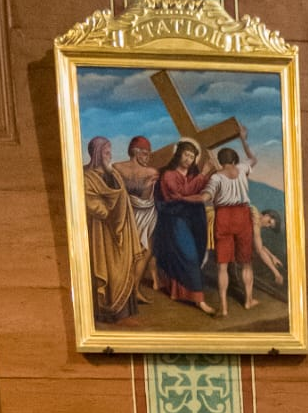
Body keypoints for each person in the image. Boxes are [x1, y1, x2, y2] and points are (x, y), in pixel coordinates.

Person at [82, 136, 143, 324]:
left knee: (122, 269)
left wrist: (117, 210)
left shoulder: (113, 174)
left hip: (121, 232)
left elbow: (122, 198)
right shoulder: (86, 177)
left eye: (110, 152)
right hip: (102, 232)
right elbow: (91, 203)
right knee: (106, 269)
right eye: (107, 152)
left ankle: (124, 311)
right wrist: (109, 210)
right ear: (98, 154)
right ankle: (108, 312)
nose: (110, 155)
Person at [152, 140, 215, 313]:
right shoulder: (169, 175)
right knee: (189, 256)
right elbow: (182, 193)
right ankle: (199, 300)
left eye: (192, 156)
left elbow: (199, 190)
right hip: (174, 219)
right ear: (178, 154)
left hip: (193, 220)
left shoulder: (193, 175)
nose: (188, 159)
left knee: (192, 254)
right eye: (186, 154)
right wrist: (203, 174)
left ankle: (177, 291)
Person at [205, 143, 260, 316]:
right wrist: (244, 141)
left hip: (223, 217)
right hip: (242, 215)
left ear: (220, 162)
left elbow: (207, 196)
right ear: (235, 159)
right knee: (246, 262)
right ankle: (249, 300)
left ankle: (224, 307)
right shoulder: (242, 168)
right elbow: (253, 159)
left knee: (222, 266)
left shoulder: (216, 177)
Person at [115, 136, 160, 298]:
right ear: (135, 152)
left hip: (130, 210)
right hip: (138, 211)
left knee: (137, 249)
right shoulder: (151, 172)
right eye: (146, 154)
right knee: (145, 249)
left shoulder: (116, 168)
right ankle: (132, 289)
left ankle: (131, 289)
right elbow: (145, 195)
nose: (149, 157)